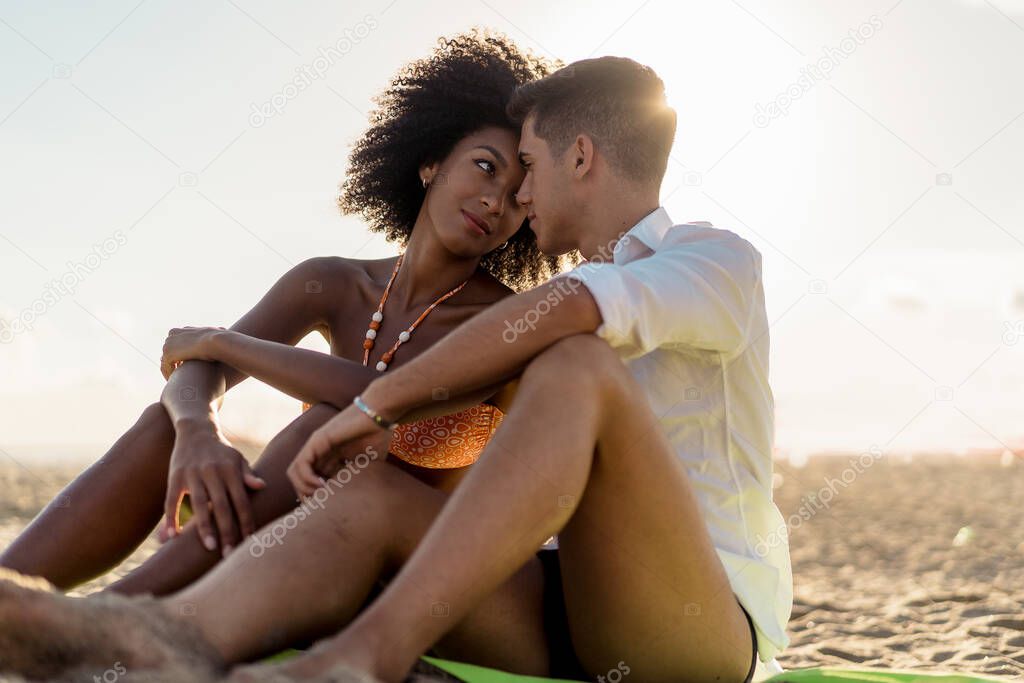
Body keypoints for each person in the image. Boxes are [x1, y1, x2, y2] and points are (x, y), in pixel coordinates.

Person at [0, 55, 792, 683]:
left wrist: (371, 408)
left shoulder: (711, 261)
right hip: (564, 606)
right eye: (495, 167)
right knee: (366, 496)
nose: (517, 194)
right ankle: (144, 635)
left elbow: (571, 313)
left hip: (702, 625)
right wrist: (201, 421)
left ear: (578, 156)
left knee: (574, 364)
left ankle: (363, 656)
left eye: (528, 168)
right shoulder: (452, 290)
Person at [0, 30, 568, 598]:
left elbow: (385, 391)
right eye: (486, 168)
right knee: (163, 427)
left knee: (333, 427)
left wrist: (222, 342)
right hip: (291, 546)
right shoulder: (336, 283)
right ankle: (11, 593)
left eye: (520, 196)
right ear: (430, 162)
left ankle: (107, 616)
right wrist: (199, 430)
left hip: (404, 572)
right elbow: (193, 376)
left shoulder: (509, 320)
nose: (497, 201)